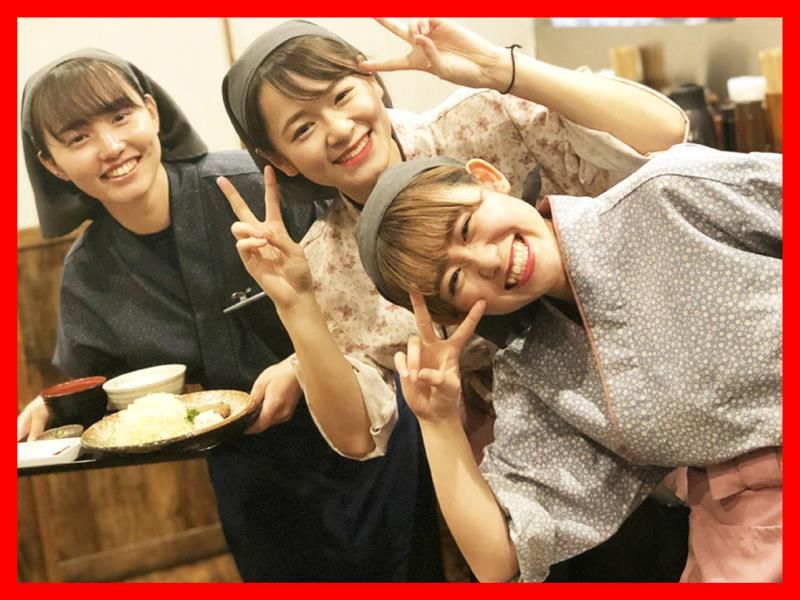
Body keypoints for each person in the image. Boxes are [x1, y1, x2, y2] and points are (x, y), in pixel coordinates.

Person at [219, 18, 690, 581]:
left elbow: (665, 136)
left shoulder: (481, 122)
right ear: (280, 160)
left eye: (341, 95)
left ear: (372, 81)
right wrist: (296, 303)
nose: (339, 129)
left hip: (669, 375)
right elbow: (356, 434)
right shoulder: (327, 262)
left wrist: (505, 69)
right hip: (541, 474)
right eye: (302, 128)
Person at [17, 49, 443, 582]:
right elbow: (111, 390)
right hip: (252, 477)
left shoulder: (257, 185)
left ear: (152, 112)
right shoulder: (89, 272)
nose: (111, 146)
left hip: (371, 436)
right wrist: (54, 406)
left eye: (121, 117)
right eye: (78, 138)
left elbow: (371, 293)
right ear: (52, 164)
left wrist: (300, 364)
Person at [354, 143, 782, 582]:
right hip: (754, 529)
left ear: (488, 178)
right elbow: (498, 559)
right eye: (455, 278)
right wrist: (438, 421)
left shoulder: (666, 191)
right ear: (453, 313)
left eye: (466, 227)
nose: (489, 260)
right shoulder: (536, 374)